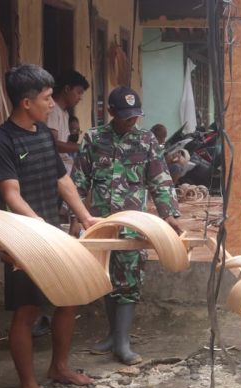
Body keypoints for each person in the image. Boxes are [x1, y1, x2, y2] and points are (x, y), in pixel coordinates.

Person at [0, 64, 99, 388]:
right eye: (47, 98)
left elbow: (61, 181)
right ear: (25, 102)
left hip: (49, 230)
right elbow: (11, 195)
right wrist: (42, 229)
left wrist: (85, 216)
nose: (53, 104)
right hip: (20, 238)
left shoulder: (42, 135)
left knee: (69, 297)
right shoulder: (0, 141)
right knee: (27, 309)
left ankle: (59, 367)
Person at [73, 87, 182, 365]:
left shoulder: (147, 141)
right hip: (100, 223)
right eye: (125, 117)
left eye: (135, 116)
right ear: (111, 112)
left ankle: (122, 342)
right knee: (105, 278)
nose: (131, 121)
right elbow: (78, 180)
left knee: (129, 278)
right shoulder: (94, 138)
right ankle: (112, 335)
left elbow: (161, 180)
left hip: (134, 225)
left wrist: (169, 214)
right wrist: (75, 217)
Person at [46, 70, 89, 174]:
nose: (80, 98)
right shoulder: (53, 111)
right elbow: (53, 144)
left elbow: (64, 143)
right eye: (78, 92)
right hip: (56, 171)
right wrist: (83, 147)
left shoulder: (64, 113)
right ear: (67, 89)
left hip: (67, 169)